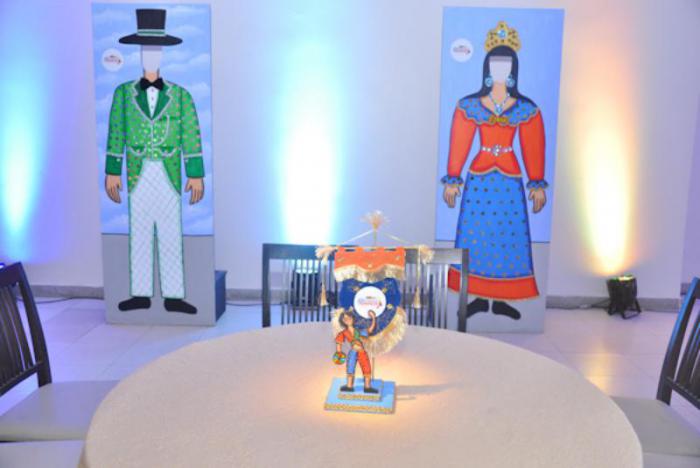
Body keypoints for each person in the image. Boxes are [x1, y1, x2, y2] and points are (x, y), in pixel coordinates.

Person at [442, 21, 547, 321]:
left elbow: (533, 145)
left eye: (506, 63)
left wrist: (536, 183)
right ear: (487, 67)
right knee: (476, 236)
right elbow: (460, 142)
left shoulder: (525, 108)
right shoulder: (470, 105)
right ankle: (475, 297)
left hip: (510, 180)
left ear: (513, 69)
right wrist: (453, 178)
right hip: (480, 179)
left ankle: (502, 300)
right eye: (495, 62)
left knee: (507, 238)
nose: (500, 69)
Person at [104, 9, 204, 315]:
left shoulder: (181, 95)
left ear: (162, 53)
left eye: (155, 49)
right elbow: (116, 132)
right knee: (140, 230)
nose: (150, 55)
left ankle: (174, 295)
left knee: (171, 229)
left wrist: (195, 174)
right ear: (139, 53)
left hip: (169, 170)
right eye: (146, 49)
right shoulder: (123, 94)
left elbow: (191, 134)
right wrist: (112, 171)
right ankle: (140, 294)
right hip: (137, 171)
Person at [335, 310, 377, 393]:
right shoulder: (344, 332)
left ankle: (367, 387)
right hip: (353, 352)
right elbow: (339, 342)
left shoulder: (359, 331)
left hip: (362, 352)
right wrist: (339, 353)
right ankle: (349, 386)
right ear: (343, 321)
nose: (348, 320)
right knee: (350, 368)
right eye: (345, 319)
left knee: (367, 367)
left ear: (353, 319)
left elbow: (370, 330)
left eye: (349, 318)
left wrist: (373, 318)